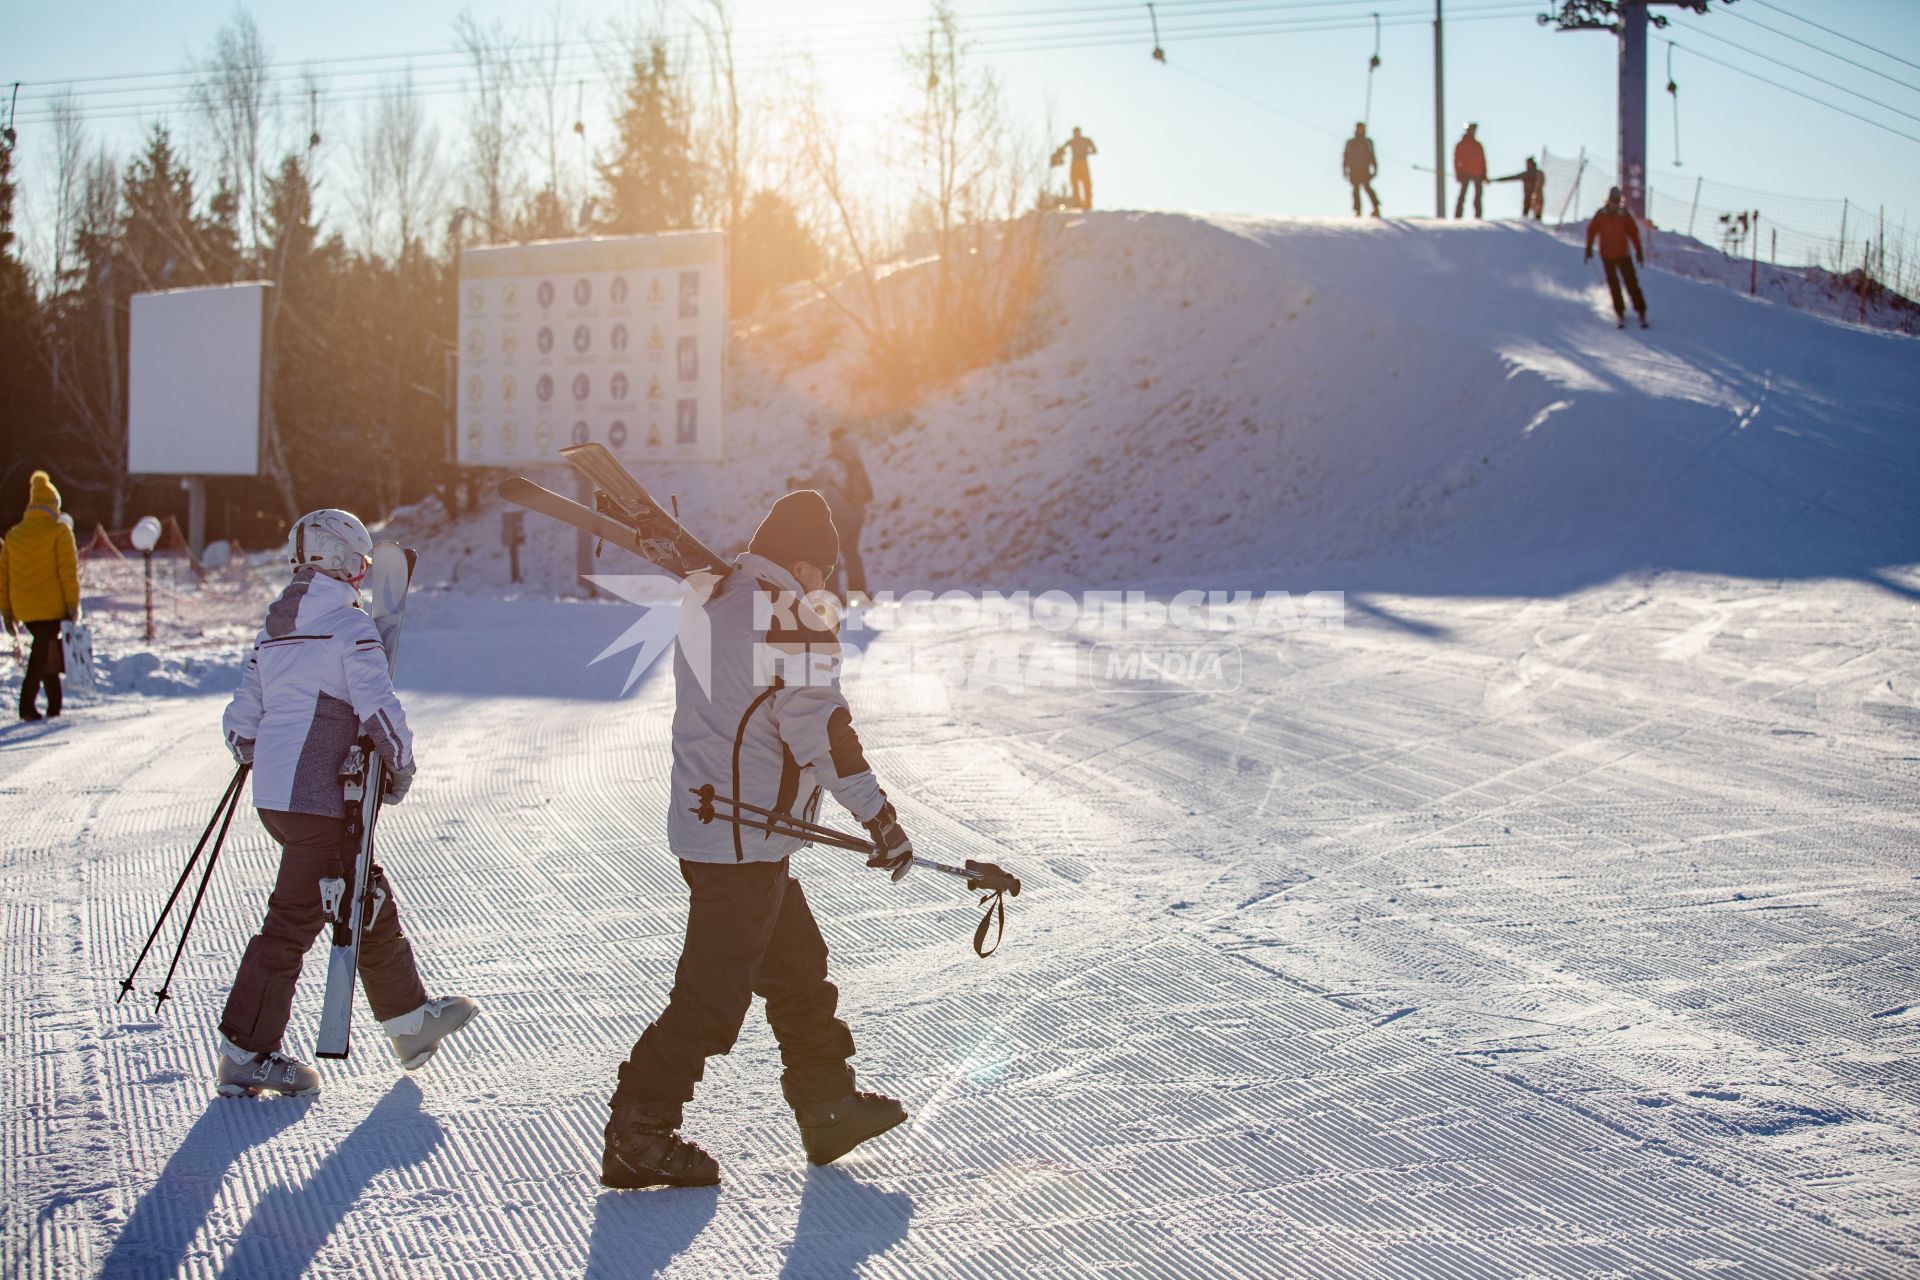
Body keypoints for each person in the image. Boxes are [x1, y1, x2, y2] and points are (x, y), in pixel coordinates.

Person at [601, 490, 912, 1189]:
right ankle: (638, 1131)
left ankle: (827, 1103)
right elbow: (822, 733)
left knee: (798, 965)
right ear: (802, 561)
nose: (824, 588)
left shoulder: (713, 598)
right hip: (741, 839)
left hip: (717, 825)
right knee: (711, 996)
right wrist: (878, 817)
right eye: (823, 572)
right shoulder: (790, 619)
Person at [214, 509, 476, 1097]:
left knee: (362, 889)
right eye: (358, 564)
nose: (362, 576)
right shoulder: (350, 629)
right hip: (324, 803)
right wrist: (401, 770)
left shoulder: (273, 633)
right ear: (338, 560)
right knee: (293, 922)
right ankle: (245, 1051)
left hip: (278, 803)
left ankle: (409, 1020)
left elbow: (239, 729)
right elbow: (380, 712)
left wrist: (275, 750)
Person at [0, 470, 81, 722]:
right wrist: (72, 604)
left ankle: (54, 707)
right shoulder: (59, 531)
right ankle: (26, 705)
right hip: (52, 606)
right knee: (41, 651)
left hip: (24, 607)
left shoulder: (13, 536)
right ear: (54, 505)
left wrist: (6, 611)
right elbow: (68, 572)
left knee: (45, 647)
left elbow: (3, 578)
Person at [817, 427, 873, 601]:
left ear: (833, 440)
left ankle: (833, 594)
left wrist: (796, 482)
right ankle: (859, 593)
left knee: (831, 552)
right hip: (857, 514)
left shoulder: (832, 461)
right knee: (851, 552)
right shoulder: (854, 458)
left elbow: (816, 481)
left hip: (839, 514)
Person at [1585, 186, 1649, 329]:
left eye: (1617, 201)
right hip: (1607, 255)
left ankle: (1641, 311)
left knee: (1631, 283)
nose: (1615, 204)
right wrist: (1588, 248)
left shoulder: (1624, 215)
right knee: (1614, 285)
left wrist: (1638, 250)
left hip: (1623, 255)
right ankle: (1620, 312)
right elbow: (1591, 230)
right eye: (1613, 201)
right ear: (1608, 201)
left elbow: (1634, 233)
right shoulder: (1601, 214)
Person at [1343, 123, 1381, 218]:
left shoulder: (1367, 142)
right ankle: (1358, 210)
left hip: (1364, 170)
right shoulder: (1351, 142)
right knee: (1356, 190)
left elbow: (1372, 155)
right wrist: (1345, 169)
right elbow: (1346, 156)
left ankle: (1376, 208)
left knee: (1367, 188)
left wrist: (1375, 168)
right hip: (1354, 170)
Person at [1453, 123, 1487, 219]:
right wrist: (1458, 173)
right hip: (1465, 174)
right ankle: (1458, 216)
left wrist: (1484, 174)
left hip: (1478, 174)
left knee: (1478, 197)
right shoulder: (1461, 144)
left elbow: (1483, 160)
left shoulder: (1478, 145)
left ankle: (1478, 216)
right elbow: (1456, 160)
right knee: (1462, 195)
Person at [1062, 127, 1097, 211]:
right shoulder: (1072, 141)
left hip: (1082, 163)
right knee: (1075, 184)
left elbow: (1095, 150)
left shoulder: (1086, 140)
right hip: (1075, 164)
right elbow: (1062, 148)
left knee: (1086, 184)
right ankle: (1077, 203)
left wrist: (1087, 152)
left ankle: (1087, 203)